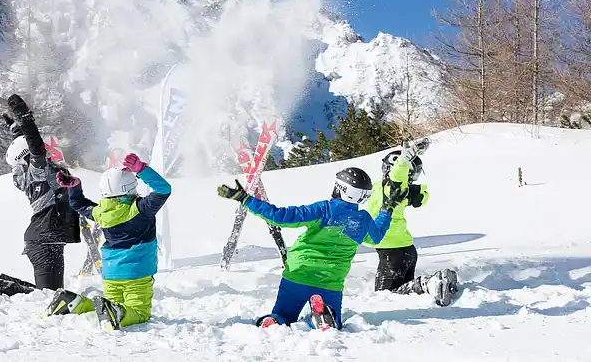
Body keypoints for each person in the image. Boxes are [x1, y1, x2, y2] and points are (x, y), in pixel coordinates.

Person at [216, 165, 405, 331]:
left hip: (297, 275)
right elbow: (377, 237)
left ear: (341, 188)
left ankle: (275, 321)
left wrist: (245, 199)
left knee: (284, 314)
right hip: (330, 282)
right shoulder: (362, 220)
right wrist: (386, 209)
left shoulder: (323, 210)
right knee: (334, 322)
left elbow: (279, 217)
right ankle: (317, 318)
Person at [43, 152, 171, 331]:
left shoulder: (100, 212)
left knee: (110, 306)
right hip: (137, 273)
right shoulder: (141, 209)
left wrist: (74, 187)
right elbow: (164, 189)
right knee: (139, 312)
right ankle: (114, 313)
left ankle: (75, 303)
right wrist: (141, 169)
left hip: (111, 273)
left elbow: (79, 204)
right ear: (130, 186)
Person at [0, 94, 81, 296]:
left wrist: (16, 131)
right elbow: (35, 146)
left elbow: (26, 148)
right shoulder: (39, 171)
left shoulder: (31, 173)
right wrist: (25, 117)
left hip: (47, 238)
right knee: (49, 296)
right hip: (45, 238)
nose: (47, 151)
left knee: (50, 294)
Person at [363, 138, 459, 307]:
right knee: (403, 295)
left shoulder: (393, 187)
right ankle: (433, 284)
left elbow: (397, 174)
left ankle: (431, 283)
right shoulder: (387, 189)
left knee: (385, 296)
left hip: (392, 251)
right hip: (403, 249)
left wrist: (405, 159)